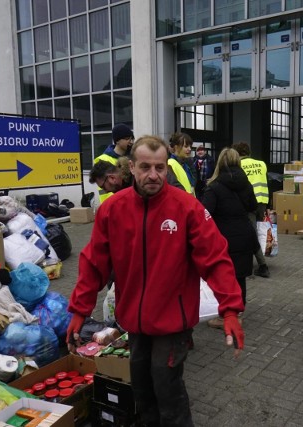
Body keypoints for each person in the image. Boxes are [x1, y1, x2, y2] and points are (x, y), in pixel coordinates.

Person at [66, 135, 245, 426]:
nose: (153, 175)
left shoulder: (187, 208)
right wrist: (79, 310)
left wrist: (230, 309)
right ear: (132, 168)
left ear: (167, 168)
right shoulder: (113, 210)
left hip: (173, 321)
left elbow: (216, 259)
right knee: (142, 390)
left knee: (168, 391)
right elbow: (94, 262)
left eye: (160, 168)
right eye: (146, 167)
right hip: (135, 322)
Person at [201, 148, 259, 329]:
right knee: (240, 275)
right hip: (244, 234)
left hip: (224, 236)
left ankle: (226, 315)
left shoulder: (214, 186)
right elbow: (253, 206)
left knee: (223, 276)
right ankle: (238, 311)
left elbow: (205, 213)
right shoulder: (246, 183)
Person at [231, 141, 271, 278]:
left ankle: (262, 265)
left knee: (251, 235)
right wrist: (268, 206)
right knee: (257, 232)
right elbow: (267, 182)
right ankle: (256, 262)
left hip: (249, 204)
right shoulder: (261, 164)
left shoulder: (238, 165)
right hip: (262, 203)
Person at [94, 123, 134, 203]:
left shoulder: (133, 157)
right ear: (117, 141)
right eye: (127, 139)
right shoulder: (103, 160)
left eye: (132, 139)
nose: (131, 142)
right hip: (114, 205)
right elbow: (103, 191)